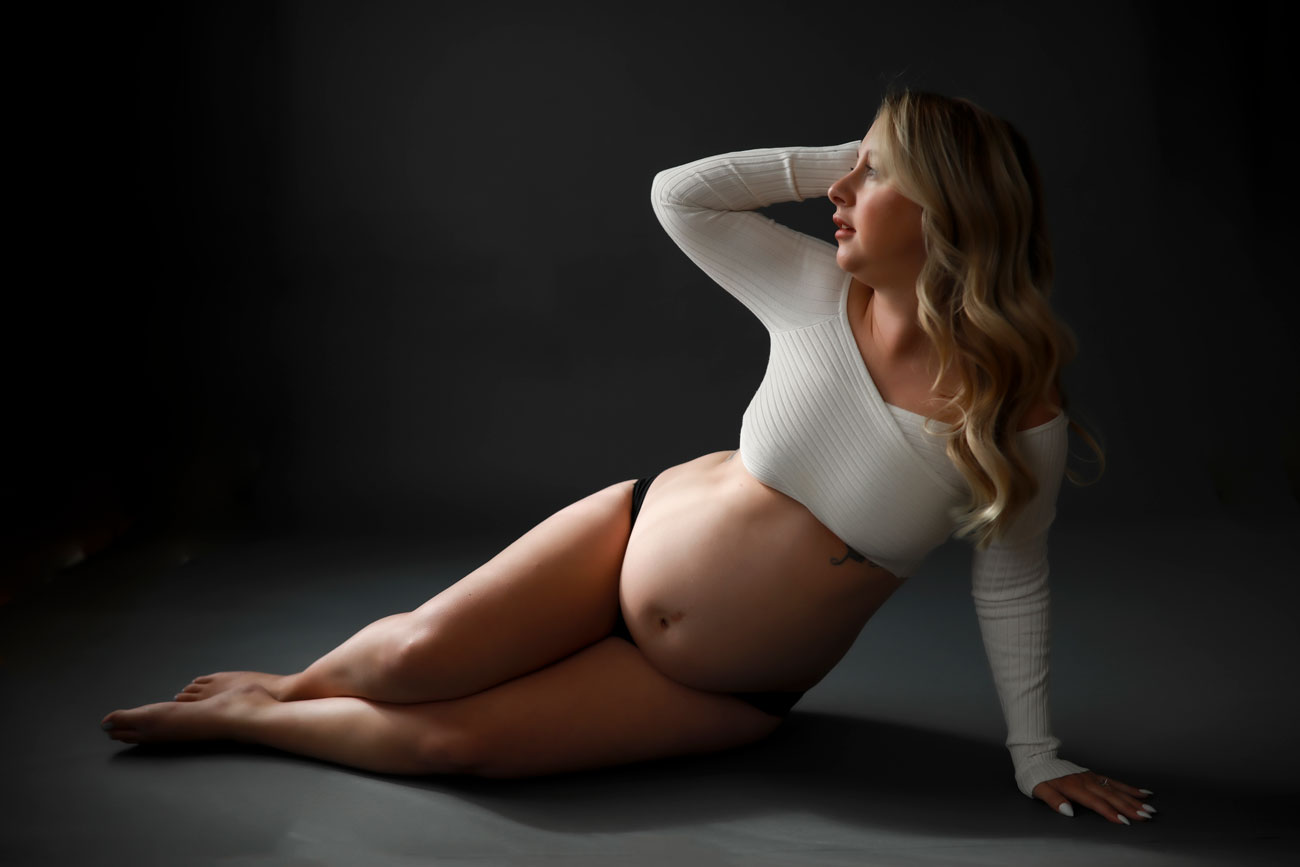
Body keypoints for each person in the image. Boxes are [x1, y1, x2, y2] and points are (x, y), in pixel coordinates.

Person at [100, 88, 1155, 825]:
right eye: (848, 167)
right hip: (626, 534)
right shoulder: (813, 292)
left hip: (722, 687)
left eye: (871, 176)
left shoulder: (1015, 408)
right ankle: (293, 687)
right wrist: (853, 156)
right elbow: (679, 194)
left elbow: (1013, 579)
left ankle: (255, 721)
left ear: (945, 208)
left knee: (451, 747)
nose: (836, 191)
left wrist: (1035, 757)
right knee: (409, 658)